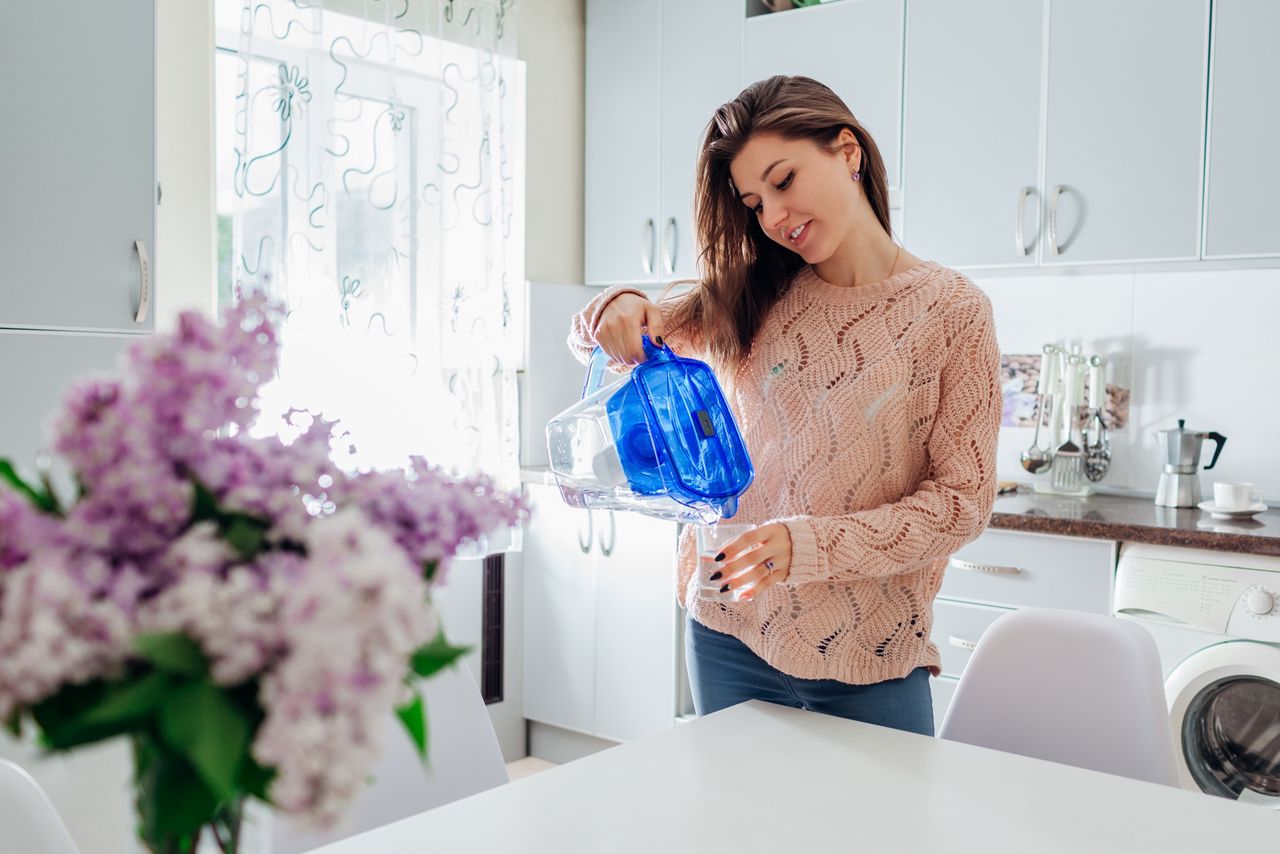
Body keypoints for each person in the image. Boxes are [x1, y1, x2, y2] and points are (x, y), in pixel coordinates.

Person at [566, 75, 1001, 736]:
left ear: (847, 151)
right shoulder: (754, 291)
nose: (772, 216)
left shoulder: (952, 310)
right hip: (725, 630)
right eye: (753, 202)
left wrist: (809, 546)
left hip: (868, 654)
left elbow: (961, 503)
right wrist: (614, 307)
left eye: (784, 180)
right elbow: (605, 337)